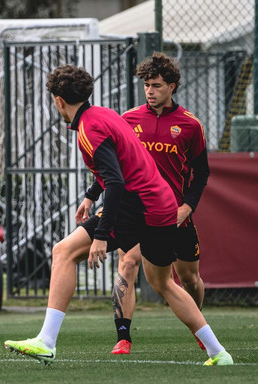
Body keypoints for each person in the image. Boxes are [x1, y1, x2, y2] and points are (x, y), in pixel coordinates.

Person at [4, 65, 232, 366]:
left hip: (138, 205)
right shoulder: (107, 115)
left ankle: (46, 341)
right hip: (160, 204)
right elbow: (122, 165)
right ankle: (219, 352)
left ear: (59, 101)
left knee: (63, 252)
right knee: (164, 284)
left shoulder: (89, 129)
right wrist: (90, 195)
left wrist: (101, 236)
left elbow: (115, 182)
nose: (150, 91)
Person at [106, 52, 209, 355]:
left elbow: (202, 173)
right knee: (128, 263)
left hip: (176, 215)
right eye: (146, 85)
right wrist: (93, 194)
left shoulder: (190, 125)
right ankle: (123, 337)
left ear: (172, 87)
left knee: (189, 278)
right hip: (137, 212)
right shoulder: (128, 119)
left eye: (156, 85)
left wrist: (187, 208)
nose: (150, 91)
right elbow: (112, 165)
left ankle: (198, 326)